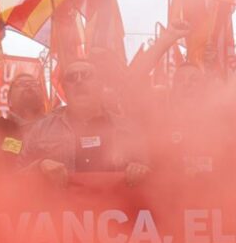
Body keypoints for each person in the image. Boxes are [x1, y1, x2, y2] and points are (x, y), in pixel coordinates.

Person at [23, 58, 150, 187]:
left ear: (100, 85)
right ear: (64, 89)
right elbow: (16, 175)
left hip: (115, 205)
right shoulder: (41, 130)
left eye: (86, 75)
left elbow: (154, 175)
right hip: (60, 206)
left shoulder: (127, 129)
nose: (79, 81)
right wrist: (39, 166)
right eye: (71, 78)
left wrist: (140, 170)